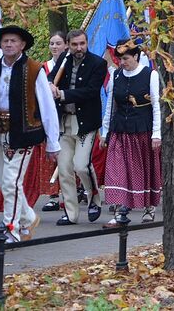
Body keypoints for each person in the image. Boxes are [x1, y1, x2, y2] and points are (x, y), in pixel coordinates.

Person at [0, 25, 60, 242]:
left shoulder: (34, 70)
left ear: (22, 45)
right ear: (0, 45)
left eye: (13, 41)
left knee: (12, 182)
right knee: (3, 180)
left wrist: (53, 143)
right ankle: (28, 217)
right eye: (5, 41)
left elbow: (47, 107)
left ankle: (12, 229)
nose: (9, 44)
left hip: (23, 134)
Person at [48, 29, 106, 225]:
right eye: (74, 45)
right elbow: (51, 79)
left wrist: (62, 94)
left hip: (85, 123)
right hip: (64, 122)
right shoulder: (63, 59)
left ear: (87, 43)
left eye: (82, 44)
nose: (79, 48)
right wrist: (50, 85)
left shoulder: (98, 63)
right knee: (64, 169)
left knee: (81, 166)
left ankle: (94, 198)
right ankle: (71, 214)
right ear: (68, 45)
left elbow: (90, 91)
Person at [101, 39, 162, 226]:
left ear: (135, 56)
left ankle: (149, 207)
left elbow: (156, 105)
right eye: (120, 59)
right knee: (117, 170)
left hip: (141, 131)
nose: (122, 62)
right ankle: (121, 211)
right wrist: (105, 131)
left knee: (142, 170)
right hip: (120, 131)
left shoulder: (149, 75)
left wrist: (156, 133)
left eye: (126, 58)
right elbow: (111, 105)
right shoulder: (116, 76)